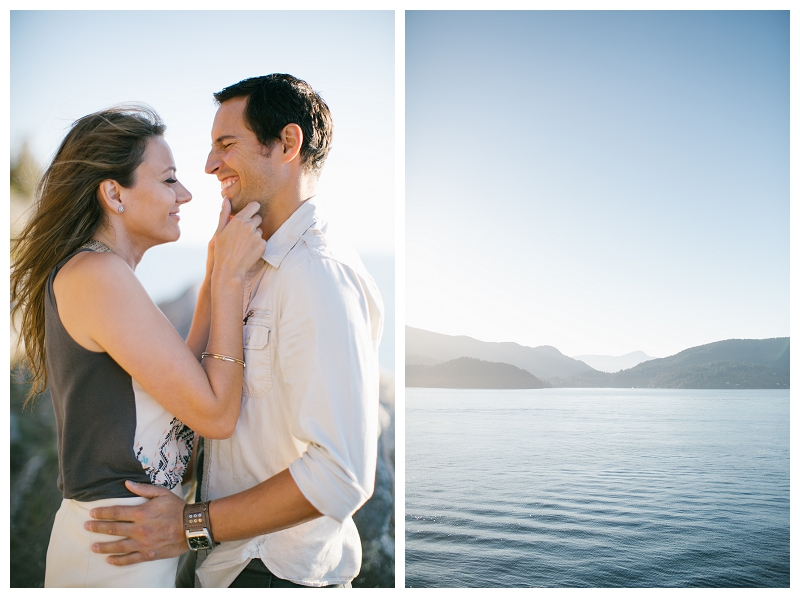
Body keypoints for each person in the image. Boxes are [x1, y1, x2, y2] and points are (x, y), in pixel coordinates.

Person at [84, 74, 385, 588]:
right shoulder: (250, 265)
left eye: (227, 145)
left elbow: (341, 475)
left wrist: (188, 527)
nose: (208, 166)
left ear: (287, 143)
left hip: (277, 574)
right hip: (229, 568)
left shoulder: (317, 274)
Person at [10, 106, 267, 587]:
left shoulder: (101, 274)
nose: (186, 194)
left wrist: (214, 273)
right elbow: (214, 415)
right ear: (113, 193)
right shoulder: (97, 276)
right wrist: (230, 282)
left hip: (127, 546)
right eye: (169, 179)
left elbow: (184, 398)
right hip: (111, 553)